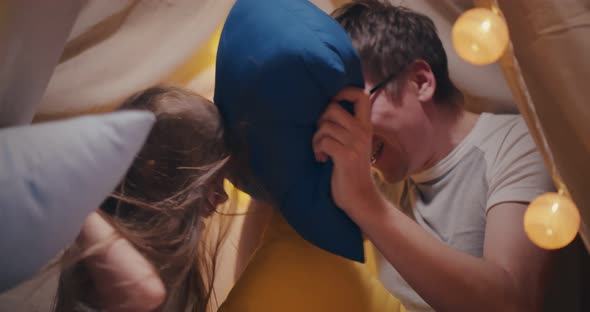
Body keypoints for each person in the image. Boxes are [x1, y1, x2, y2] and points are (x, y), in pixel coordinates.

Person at [311, 1, 555, 311]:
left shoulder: (516, 143)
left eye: (353, 107)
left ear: (420, 82)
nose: (351, 129)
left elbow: (511, 302)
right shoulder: (387, 174)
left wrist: (367, 204)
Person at [54, 85, 231, 312]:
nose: (223, 196)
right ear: (157, 177)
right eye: (211, 182)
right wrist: (80, 198)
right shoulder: (102, 246)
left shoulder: (166, 253)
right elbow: (142, 294)